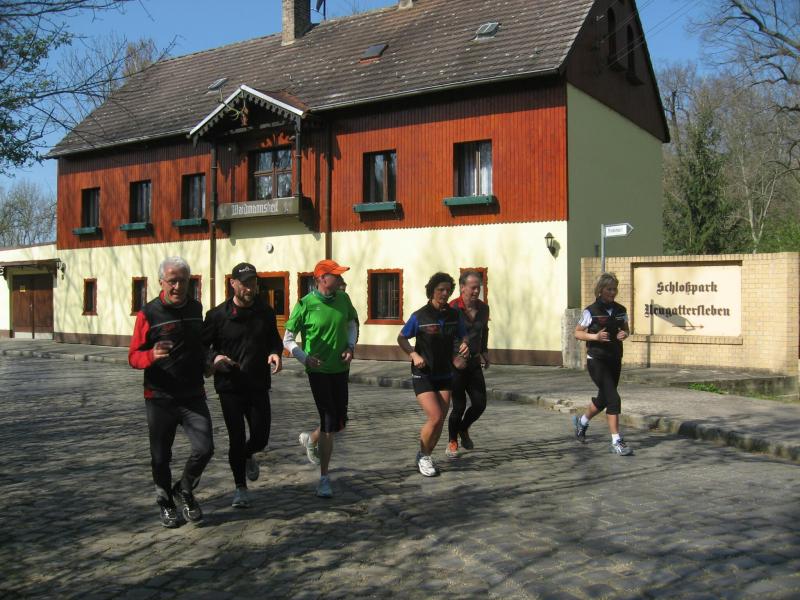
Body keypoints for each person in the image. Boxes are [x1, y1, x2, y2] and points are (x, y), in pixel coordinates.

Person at [128, 256, 214, 528]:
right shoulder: (148, 314)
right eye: (172, 281)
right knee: (161, 456)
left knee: (205, 448)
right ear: (161, 282)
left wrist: (209, 363)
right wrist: (151, 355)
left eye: (183, 281)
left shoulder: (196, 308)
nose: (178, 286)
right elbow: (133, 356)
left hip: (192, 395)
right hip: (160, 398)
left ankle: (184, 489)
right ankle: (165, 502)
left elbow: (199, 345)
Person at [202, 263, 283, 509]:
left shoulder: (265, 312)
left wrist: (275, 353)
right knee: (236, 438)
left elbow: (274, 340)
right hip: (230, 386)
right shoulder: (217, 315)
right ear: (233, 284)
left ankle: (248, 454)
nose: (250, 288)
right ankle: (240, 488)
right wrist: (214, 358)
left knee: (261, 437)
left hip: (258, 383)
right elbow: (202, 347)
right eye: (245, 283)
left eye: (253, 283)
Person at [283, 259, 359, 498]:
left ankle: (311, 438)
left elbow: (352, 324)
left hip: (340, 368)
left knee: (339, 422)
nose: (340, 278)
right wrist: (304, 358)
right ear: (322, 279)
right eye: (336, 275)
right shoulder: (305, 304)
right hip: (318, 371)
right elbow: (287, 339)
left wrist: (350, 346)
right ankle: (324, 478)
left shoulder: (344, 299)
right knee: (328, 420)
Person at [398, 272, 468, 477]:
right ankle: (423, 455)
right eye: (440, 290)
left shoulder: (454, 315)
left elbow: (463, 335)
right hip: (424, 373)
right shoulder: (420, 316)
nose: (444, 293)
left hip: (445, 373)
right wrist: (413, 354)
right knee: (435, 416)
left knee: (440, 419)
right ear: (432, 291)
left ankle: (425, 455)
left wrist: (465, 344)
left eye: (448, 290)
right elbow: (402, 337)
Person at [572, 272, 633, 455]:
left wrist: (624, 334)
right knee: (614, 399)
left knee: (604, 399)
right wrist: (595, 337)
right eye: (609, 289)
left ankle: (582, 422)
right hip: (597, 361)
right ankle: (616, 441)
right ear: (600, 290)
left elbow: (626, 329)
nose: (613, 292)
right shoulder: (591, 311)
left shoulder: (621, 310)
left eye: (615, 289)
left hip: (614, 359)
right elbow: (577, 332)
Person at [445, 271, 490, 458]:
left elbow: (484, 330)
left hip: (474, 362)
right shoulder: (452, 308)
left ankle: (463, 428)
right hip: (455, 365)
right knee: (459, 406)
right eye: (473, 287)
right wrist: (452, 357)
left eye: (478, 287)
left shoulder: (483, 308)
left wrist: (484, 351)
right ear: (463, 287)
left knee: (480, 404)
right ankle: (452, 440)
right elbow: (444, 337)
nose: (476, 291)